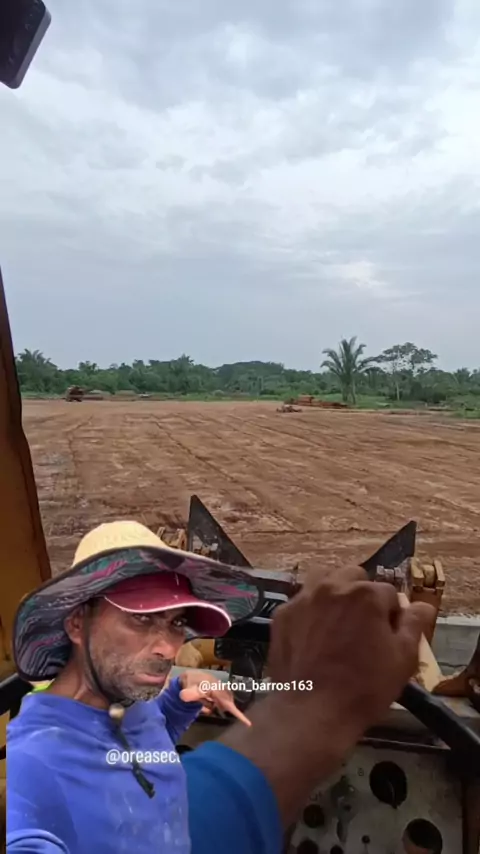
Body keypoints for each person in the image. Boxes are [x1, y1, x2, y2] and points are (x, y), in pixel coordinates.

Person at [7, 521, 433, 854]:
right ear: (77, 623)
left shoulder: (121, 695)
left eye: (176, 622)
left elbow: (145, 742)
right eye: (140, 618)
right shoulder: (40, 760)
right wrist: (309, 709)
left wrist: (178, 700)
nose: (168, 648)